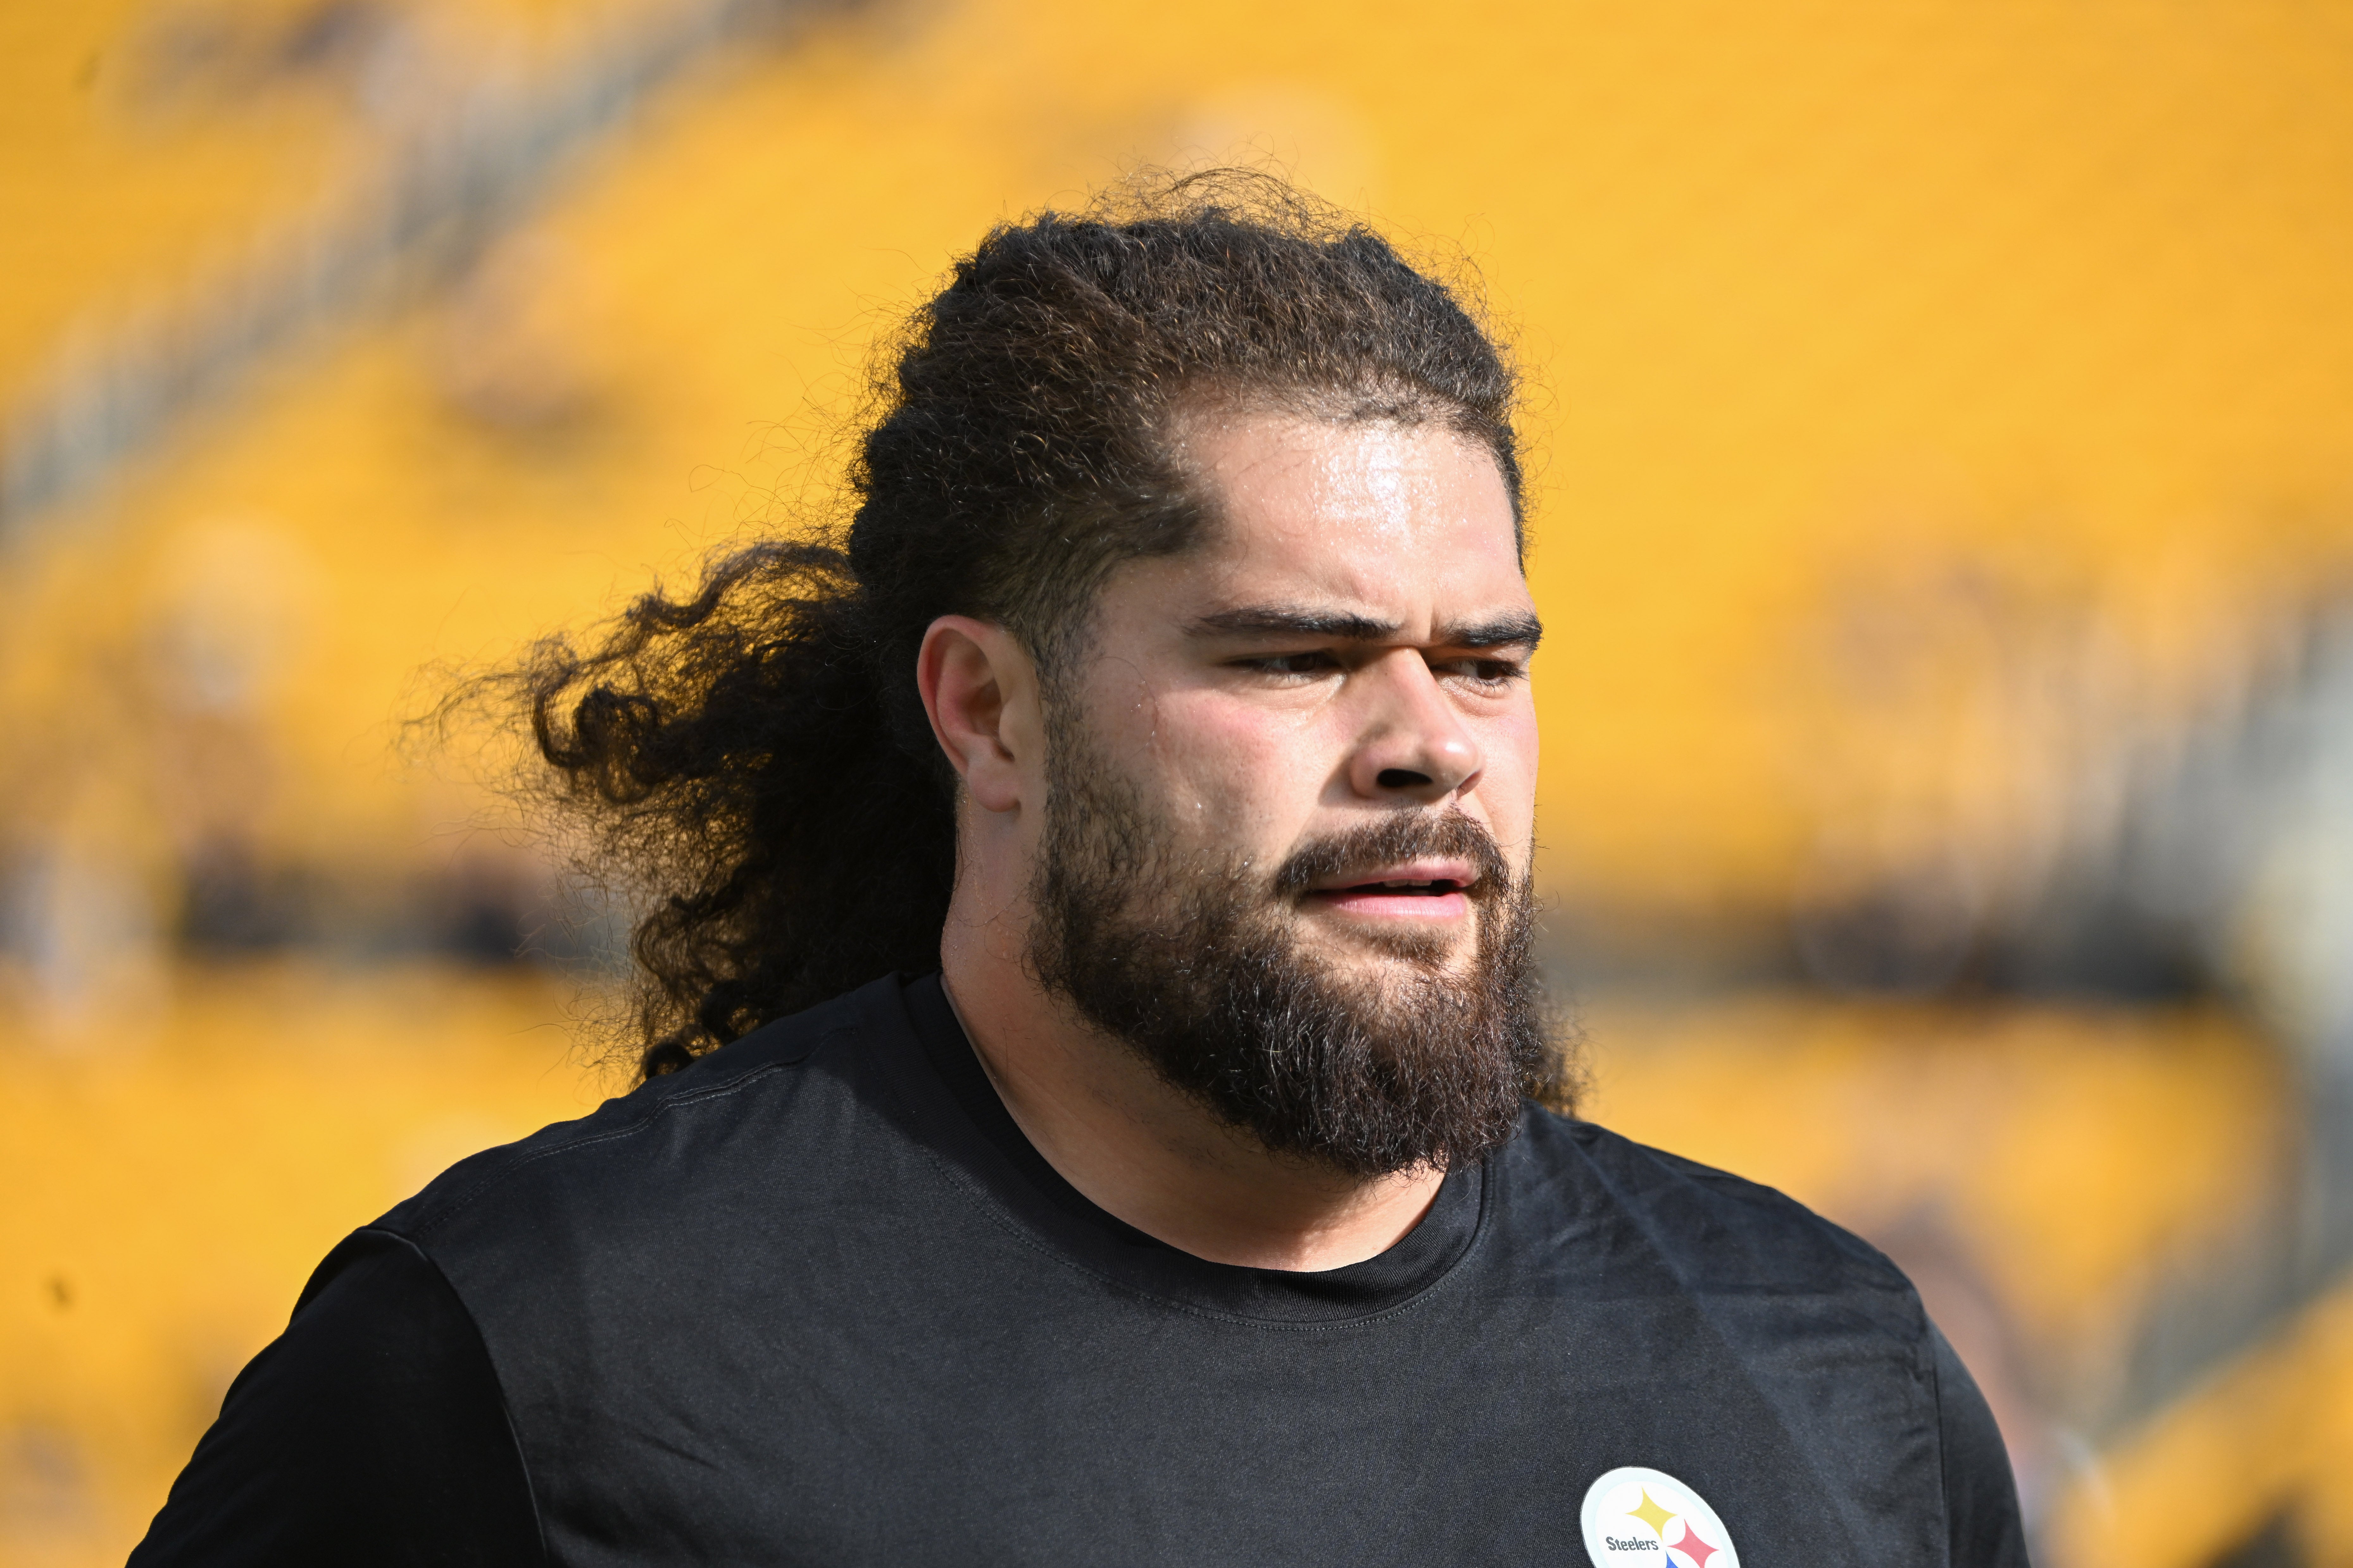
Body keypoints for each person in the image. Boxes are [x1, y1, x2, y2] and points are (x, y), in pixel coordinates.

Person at [131, 174, 2027, 1566]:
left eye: (1486, 663)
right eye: (1295, 656)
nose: (1430, 740)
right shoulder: (549, 1353)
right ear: (993, 717)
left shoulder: (1825, 1368)